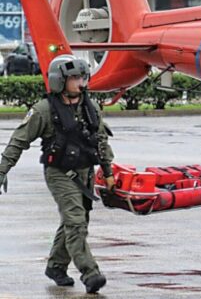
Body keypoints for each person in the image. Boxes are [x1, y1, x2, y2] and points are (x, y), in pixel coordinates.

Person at [0, 55, 116, 294]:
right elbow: (18, 141)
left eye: (83, 77)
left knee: (76, 221)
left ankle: (56, 266)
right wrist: (2, 170)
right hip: (60, 173)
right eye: (75, 78)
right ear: (60, 80)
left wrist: (108, 171)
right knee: (75, 222)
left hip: (86, 172)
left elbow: (101, 141)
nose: (81, 83)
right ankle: (90, 273)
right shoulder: (44, 110)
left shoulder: (90, 107)